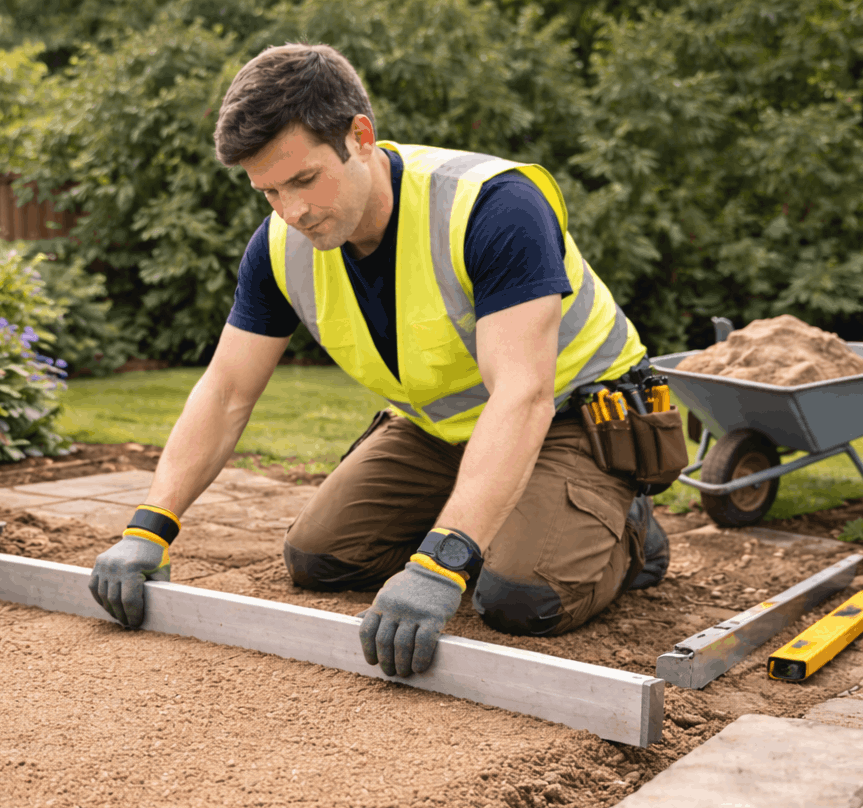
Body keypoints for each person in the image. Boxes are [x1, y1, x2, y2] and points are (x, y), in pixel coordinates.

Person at [89, 42, 670, 678]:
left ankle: (630, 528)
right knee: (319, 559)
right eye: (270, 192)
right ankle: (488, 511)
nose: (294, 211)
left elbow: (522, 396)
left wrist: (441, 562)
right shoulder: (280, 248)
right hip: (440, 433)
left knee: (518, 598)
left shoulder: (494, 208)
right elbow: (227, 391)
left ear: (360, 136)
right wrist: (151, 527)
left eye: (305, 179)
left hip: (571, 421)